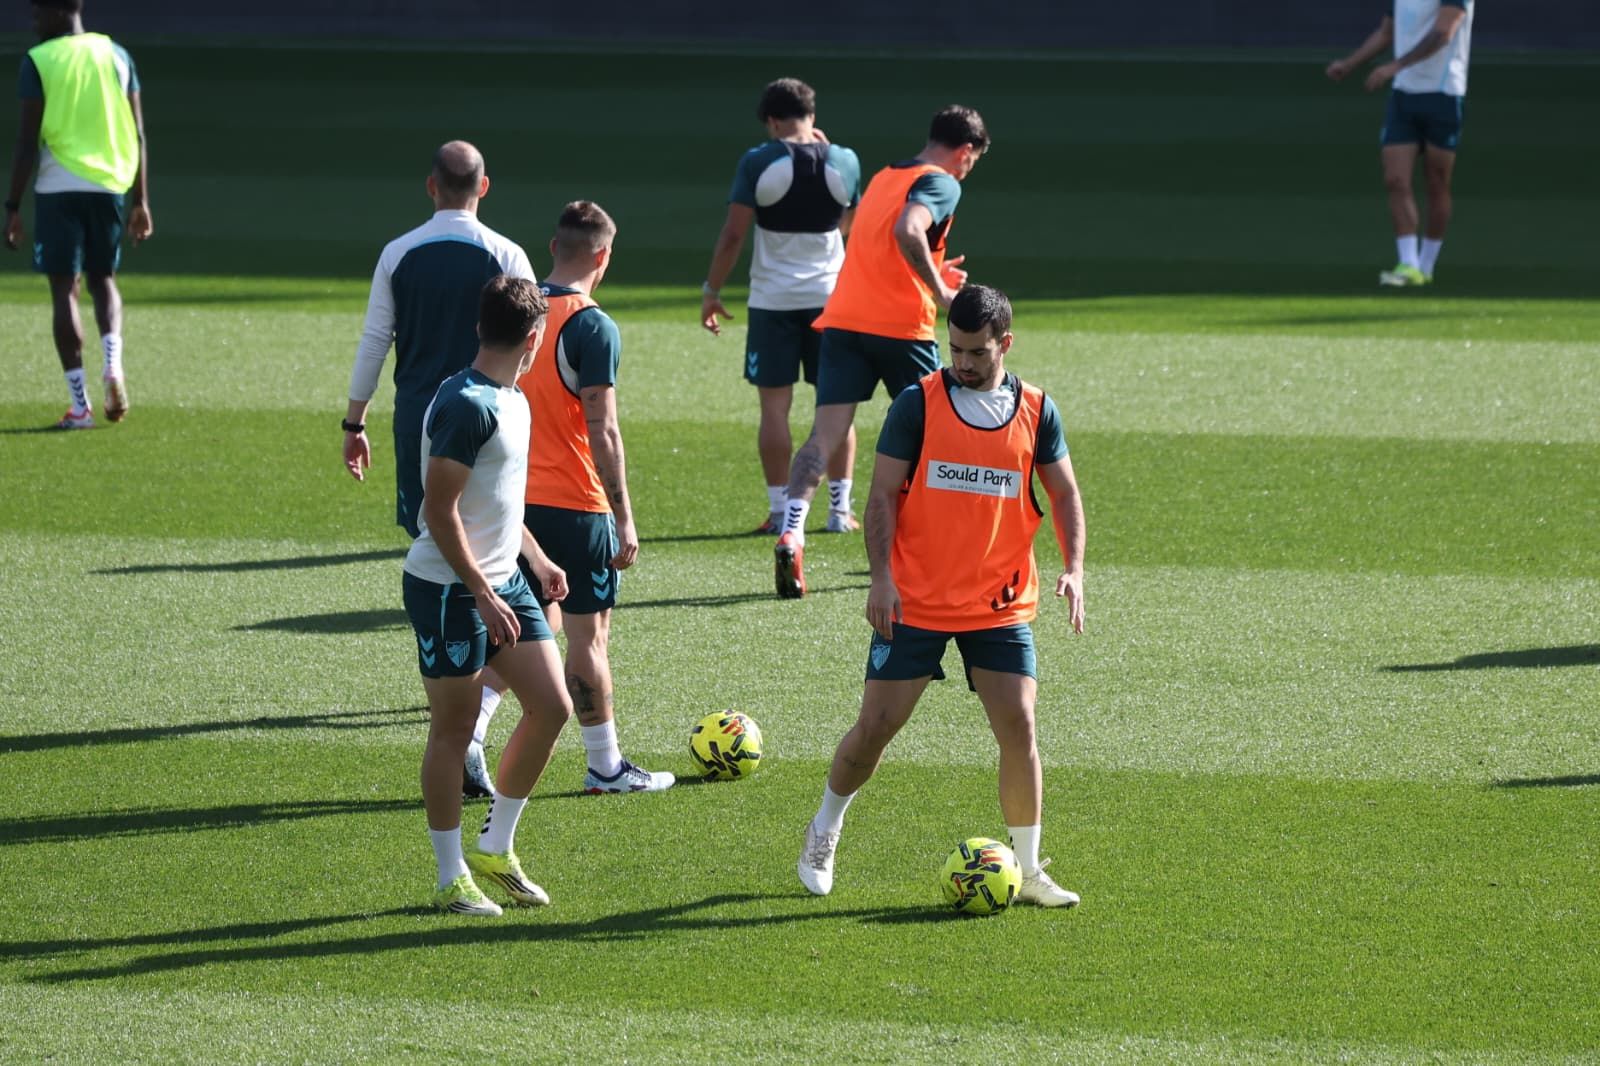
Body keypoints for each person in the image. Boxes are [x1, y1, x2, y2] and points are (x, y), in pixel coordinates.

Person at [796, 285, 1085, 909]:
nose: (962, 361)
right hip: (916, 601)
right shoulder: (916, 405)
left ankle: (1030, 869)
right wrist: (880, 577)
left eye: (976, 351)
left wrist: (1075, 568)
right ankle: (825, 827)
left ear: (1005, 343)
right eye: (953, 348)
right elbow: (880, 497)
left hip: (998, 604)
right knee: (876, 727)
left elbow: (1063, 494)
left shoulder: (1037, 410)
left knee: (1021, 726)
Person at [342, 141, 534, 798]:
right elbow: (535, 330)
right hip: (494, 423)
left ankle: (456, 681)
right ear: (485, 186)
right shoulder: (507, 255)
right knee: (480, 549)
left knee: (434, 538)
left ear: (431, 186)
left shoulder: (398, 252)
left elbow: (376, 337)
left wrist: (354, 420)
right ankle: (465, 697)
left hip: (420, 420)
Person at [471, 201, 673, 796]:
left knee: (526, 629)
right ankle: (604, 765)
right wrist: (625, 515)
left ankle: (470, 738)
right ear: (604, 256)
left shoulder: (520, 311)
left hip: (512, 506)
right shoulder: (591, 325)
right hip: (576, 506)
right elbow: (602, 427)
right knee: (589, 637)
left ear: (552, 246)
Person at [402, 275, 573, 916]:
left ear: (482, 327)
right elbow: (439, 511)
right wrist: (479, 589)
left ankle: (496, 845)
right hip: (450, 589)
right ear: (533, 339)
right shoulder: (467, 405)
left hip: (501, 581)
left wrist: (537, 557)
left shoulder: (512, 399)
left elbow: (494, 500)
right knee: (451, 732)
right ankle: (450, 879)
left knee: (552, 706)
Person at [772, 104, 988, 599]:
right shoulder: (942, 181)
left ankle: (793, 530)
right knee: (937, 433)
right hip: (901, 328)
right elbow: (907, 230)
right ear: (964, 151)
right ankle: (924, 549)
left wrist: (934, 267)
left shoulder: (888, 174)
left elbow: (878, 241)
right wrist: (939, 292)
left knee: (822, 437)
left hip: (846, 318)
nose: (966, 170)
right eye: (970, 161)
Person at [699, 77, 862, 535]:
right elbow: (850, 223)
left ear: (772, 121)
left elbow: (733, 235)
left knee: (774, 410)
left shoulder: (758, 161)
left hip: (772, 302)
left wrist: (712, 289)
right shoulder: (845, 159)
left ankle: (779, 511)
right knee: (835, 406)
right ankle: (838, 510)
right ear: (812, 116)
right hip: (832, 300)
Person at [4, 0, 151, 430]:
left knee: (64, 291)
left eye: (36, 12)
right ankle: (113, 363)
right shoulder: (117, 55)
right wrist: (141, 200)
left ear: (56, 12)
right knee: (104, 280)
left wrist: (12, 207)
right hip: (109, 185)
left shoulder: (39, 60)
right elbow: (138, 133)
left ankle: (81, 406)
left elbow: (27, 142)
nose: (32, 20)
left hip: (57, 188)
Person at [1325, 0, 1475, 287]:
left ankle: (1427, 266)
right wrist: (1350, 63)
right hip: (1404, 96)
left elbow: (1444, 33)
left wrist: (1395, 66)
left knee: (1436, 182)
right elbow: (1386, 33)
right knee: (1395, 179)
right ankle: (1408, 263)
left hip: (1443, 95)